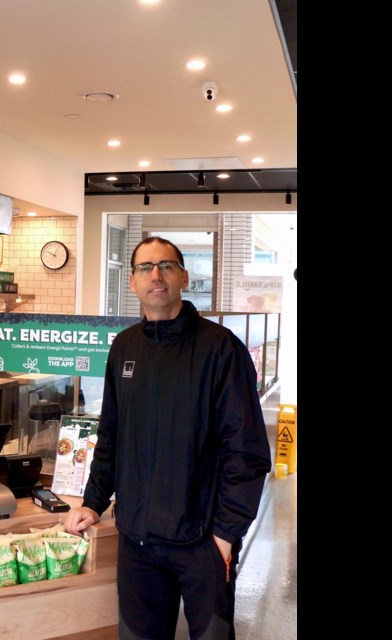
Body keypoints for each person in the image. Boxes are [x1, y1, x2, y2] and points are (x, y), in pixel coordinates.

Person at [64, 236, 272, 640]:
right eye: (145, 267)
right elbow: (111, 435)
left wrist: (226, 535)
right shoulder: (124, 346)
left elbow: (245, 452)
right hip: (137, 542)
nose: (155, 275)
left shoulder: (220, 348)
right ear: (132, 282)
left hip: (202, 542)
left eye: (166, 266)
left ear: (184, 277)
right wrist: (93, 501)